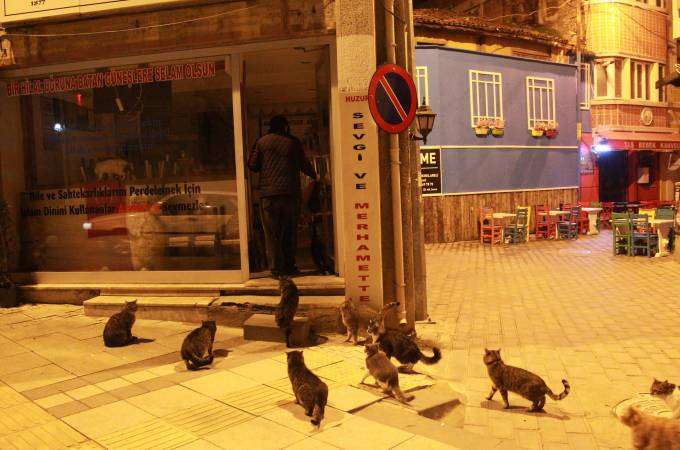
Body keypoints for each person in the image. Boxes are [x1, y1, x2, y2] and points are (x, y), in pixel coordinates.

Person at [248, 115, 318, 278]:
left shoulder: (261, 142)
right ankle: (289, 266)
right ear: (285, 126)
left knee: (271, 234)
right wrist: (314, 175)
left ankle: (275, 268)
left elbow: (252, 165)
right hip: (290, 195)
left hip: (269, 196)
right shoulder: (293, 142)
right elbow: (304, 164)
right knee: (289, 232)